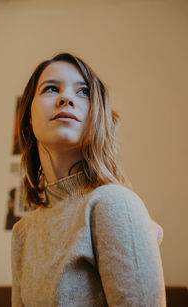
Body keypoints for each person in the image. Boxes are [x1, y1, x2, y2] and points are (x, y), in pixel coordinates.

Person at [11, 52, 166, 306]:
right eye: (51, 89)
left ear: (98, 117)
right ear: (28, 116)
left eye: (83, 92)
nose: (66, 98)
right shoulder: (22, 234)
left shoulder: (115, 203)